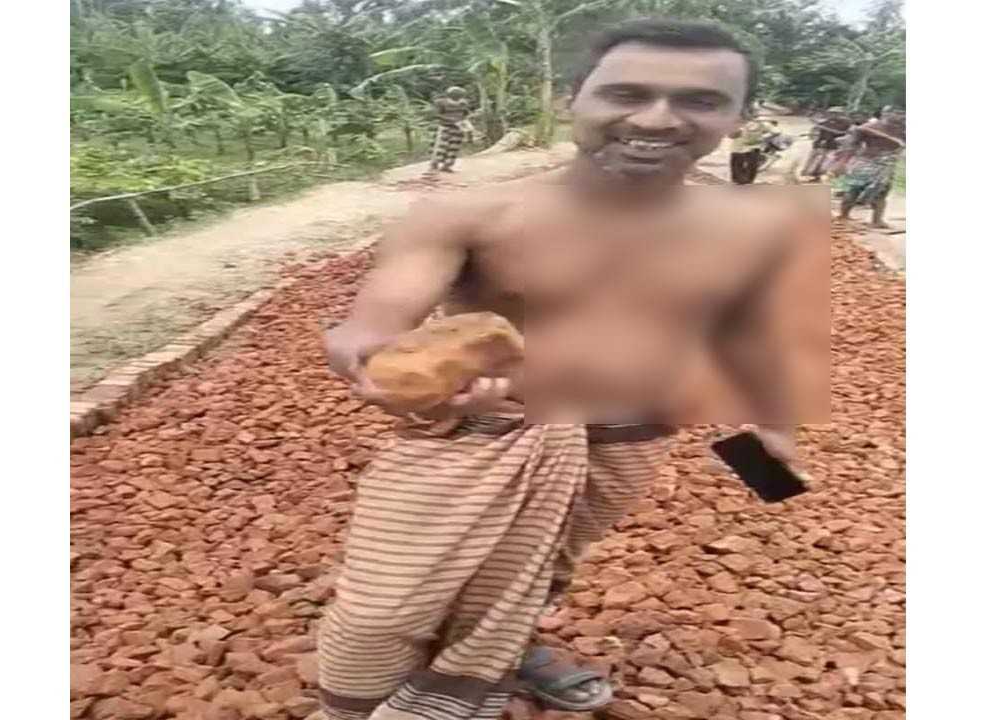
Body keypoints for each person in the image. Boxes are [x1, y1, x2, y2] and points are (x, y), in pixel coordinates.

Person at [318, 19, 811, 720]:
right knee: (382, 607)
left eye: (699, 101)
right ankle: (354, 705)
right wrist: (368, 358)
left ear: (740, 117)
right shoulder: (474, 215)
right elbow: (375, 320)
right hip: (480, 432)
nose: (656, 118)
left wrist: (774, 429)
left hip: (631, 437)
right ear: (568, 99)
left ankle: (504, 653)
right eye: (626, 93)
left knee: (543, 569)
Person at [834, 109, 905, 228]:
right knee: (853, 189)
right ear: (884, 116)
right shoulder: (868, 128)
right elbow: (851, 145)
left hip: (887, 164)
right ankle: (844, 215)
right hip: (867, 162)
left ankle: (877, 220)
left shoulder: (902, 130)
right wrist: (842, 162)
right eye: (896, 115)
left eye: (901, 115)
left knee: (882, 192)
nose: (899, 118)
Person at [801, 106, 851, 182]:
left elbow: (841, 133)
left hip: (833, 145)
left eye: (835, 113)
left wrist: (823, 128)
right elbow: (818, 128)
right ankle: (806, 173)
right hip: (821, 143)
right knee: (812, 159)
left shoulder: (845, 123)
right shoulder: (828, 121)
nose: (832, 115)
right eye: (831, 113)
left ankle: (818, 174)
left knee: (825, 162)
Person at [429, 86, 471, 174]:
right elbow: (436, 114)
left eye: (459, 95)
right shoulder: (441, 103)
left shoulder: (463, 103)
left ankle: (447, 165)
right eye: (455, 94)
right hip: (445, 126)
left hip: (458, 127)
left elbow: (466, 114)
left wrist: (465, 124)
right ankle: (435, 164)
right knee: (441, 146)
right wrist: (451, 119)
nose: (457, 96)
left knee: (454, 147)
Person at [728, 115, 773, 184]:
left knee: (739, 167)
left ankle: (740, 182)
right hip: (750, 148)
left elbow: (731, 135)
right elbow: (772, 133)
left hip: (740, 148)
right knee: (751, 167)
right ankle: (746, 182)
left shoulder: (737, 123)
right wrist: (762, 138)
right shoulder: (762, 123)